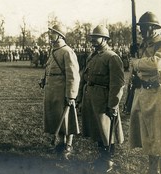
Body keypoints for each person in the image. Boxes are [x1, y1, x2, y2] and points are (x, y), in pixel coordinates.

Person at [76, 24, 125, 172]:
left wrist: (113, 104)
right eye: (91, 37)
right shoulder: (92, 56)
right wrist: (79, 97)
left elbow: (117, 84)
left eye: (95, 37)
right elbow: (84, 77)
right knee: (97, 129)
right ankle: (101, 157)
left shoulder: (112, 57)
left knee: (106, 129)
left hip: (104, 97)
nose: (92, 40)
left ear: (104, 39)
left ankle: (108, 159)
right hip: (91, 95)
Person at [129, 11, 161, 174]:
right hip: (145, 95)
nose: (141, 31)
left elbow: (157, 63)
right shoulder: (143, 45)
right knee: (150, 141)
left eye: (144, 28)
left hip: (160, 95)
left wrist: (136, 62)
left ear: (153, 28)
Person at [42, 25, 80, 159]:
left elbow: (73, 75)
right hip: (52, 89)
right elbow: (49, 68)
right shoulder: (54, 50)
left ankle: (68, 145)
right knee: (56, 118)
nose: (49, 35)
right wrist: (44, 79)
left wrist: (71, 94)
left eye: (52, 33)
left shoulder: (67, 51)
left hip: (63, 91)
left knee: (67, 118)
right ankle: (60, 143)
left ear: (59, 35)